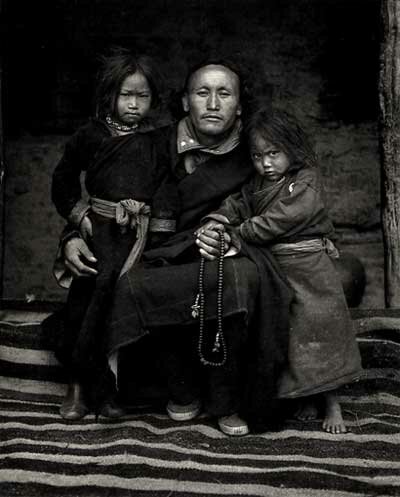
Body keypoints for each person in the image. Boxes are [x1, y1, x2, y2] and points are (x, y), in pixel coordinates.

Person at [62, 59, 293, 435]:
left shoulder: (256, 155)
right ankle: (178, 387)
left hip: (217, 255)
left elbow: (279, 206)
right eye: (203, 93)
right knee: (131, 283)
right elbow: (106, 200)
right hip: (151, 254)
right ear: (185, 101)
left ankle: (226, 400)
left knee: (241, 276)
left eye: (224, 94)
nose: (213, 104)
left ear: (239, 105)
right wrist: (71, 236)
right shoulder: (149, 143)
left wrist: (227, 233)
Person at [202, 106, 363, 433]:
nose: (266, 163)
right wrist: (217, 220)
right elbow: (237, 205)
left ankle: (332, 403)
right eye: (258, 156)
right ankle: (305, 396)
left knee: (323, 333)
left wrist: (241, 232)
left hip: (312, 270)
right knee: (292, 338)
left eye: (274, 153)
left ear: (292, 148)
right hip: (277, 270)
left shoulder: (306, 180)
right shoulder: (258, 182)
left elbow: (285, 218)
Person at [48, 47, 179, 420]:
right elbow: (63, 180)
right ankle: (76, 387)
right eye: (126, 95)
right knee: (86, 301)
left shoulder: (156, 139)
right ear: (110, 95)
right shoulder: (90, 135)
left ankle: (108, 395)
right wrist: (81, 218)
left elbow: (167, 185)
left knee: (120, 307)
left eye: (142, 96)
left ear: (152, 99)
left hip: (139, 235)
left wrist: (159, 231)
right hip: (100, 231)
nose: (134, 104)